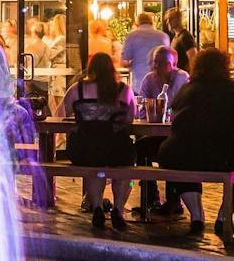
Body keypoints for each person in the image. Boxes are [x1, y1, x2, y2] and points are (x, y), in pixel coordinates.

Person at [158, 49, 234, 242]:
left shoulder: (187, 89)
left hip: (184, 153)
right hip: (225, 156)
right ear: (225, 66)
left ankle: (196, 216)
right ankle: (224, 215)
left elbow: (173, 115)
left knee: (176, 160)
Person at [62, 52, 136, 229]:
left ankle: (97, 207)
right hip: (116, 148)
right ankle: (118, 209)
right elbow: (130, 118)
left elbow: (66, 111)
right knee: (125, 169)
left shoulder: (77, 89)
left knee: (95, 168)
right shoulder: (123, 90)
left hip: (84, 148)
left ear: (91, 69)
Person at [134, 45, 190, 217]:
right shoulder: (149, 79)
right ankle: (150, 197)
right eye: (155, 62)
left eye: (161, 63)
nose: (156, 66)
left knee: (170, 150)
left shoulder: (182, 78)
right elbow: (142, 108)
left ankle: (174, 201)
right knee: (139, 148)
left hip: (179, 136)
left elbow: (180, 107)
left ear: (173, 65)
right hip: (156, 133)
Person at [119, 12, 170, 93]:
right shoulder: (163, 36)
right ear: (152, 22)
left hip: (139, 83)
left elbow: (123, 61)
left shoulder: (132, 36)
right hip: (161, 84)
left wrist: (132, 63)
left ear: (137, 23)